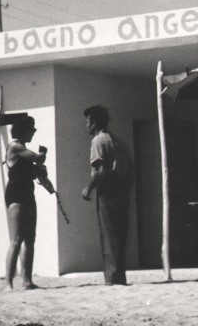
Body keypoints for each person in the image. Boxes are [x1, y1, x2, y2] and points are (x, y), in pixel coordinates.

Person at [81, 104, 132, 286]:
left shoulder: (98, 141)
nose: (86, 126)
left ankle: (112, 278)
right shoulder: (117, 140)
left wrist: (88, 188)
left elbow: (100, 170)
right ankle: (119, 276)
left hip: (108, 191)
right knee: (119, 235)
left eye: (88, 122)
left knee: (109, 236)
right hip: (121, 190)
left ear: (93, 122)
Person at [4, 115, 45, 290]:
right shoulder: (15, 146)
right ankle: (8, 283)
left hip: (28, 192)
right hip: (16, 194)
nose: (33, 133)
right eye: (32, 130)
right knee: (16, 239)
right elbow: (37, 158)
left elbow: (34, 169)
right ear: (24, 130)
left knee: (30, 238)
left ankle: (27, 280)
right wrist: (44, 153)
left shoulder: (23, 149)